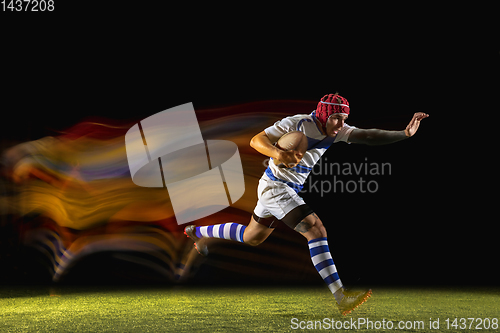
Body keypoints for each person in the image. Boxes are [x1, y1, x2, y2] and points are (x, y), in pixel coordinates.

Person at [184, 93, 429, 315]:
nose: (342, 124)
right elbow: (255, 141)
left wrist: (404, 134)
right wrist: (278, 154)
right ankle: (341, 296)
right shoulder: (297, 123)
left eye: (344, 118)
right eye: (336, 118)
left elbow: (366, 136)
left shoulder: (336, 131)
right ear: (324, 114)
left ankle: (197, 232)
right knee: (316, 230)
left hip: (274, 187)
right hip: (278, 187)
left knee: (252, 237)